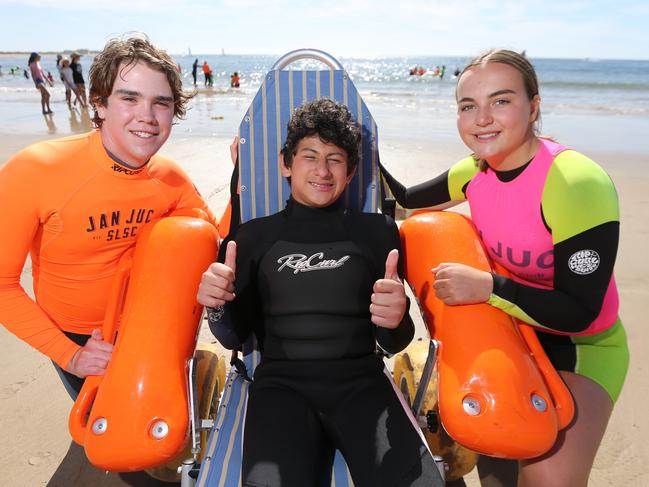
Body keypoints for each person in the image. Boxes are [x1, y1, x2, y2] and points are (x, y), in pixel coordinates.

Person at [380, 48, 629, 487]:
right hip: (510, 336)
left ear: (533, 107)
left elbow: (581, 310)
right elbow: (400, 201)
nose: (482, 119)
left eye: (501, 100)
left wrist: (490, 288)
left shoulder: (573, 181)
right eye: (467, 106)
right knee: (497, 467)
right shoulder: (475, 170)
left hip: (581, 346)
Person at [197, 98, 443, 487]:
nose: (322, 170)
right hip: (281, 390)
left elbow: (395, 343)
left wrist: (397, 319)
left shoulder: (378, 232)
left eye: (335, 159)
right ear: (286, 163)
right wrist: (216, 305)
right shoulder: (254, 236)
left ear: (351, 171)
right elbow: (232, 335)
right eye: (309, 155)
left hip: (362, 386)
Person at [0, 35, 217, 401]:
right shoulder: (36, 170)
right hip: (75, 336)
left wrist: (242, 180)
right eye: (129, 98)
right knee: (106, 437)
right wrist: (71, 355)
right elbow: (3, 285)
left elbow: (216, 241)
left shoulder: (171, 179)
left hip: (147, 324)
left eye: (160, 103)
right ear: (99, 104)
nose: (147, 117)